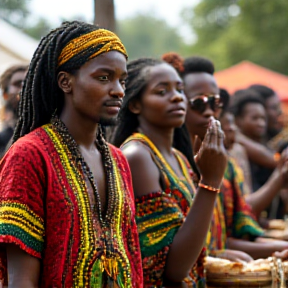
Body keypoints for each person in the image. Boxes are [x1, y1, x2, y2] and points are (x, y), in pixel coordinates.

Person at [0, 21, 142, 287]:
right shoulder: (30, 155)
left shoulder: (118, 160)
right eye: (104, 78)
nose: (118, 90)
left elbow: (132, 259)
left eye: (122, 80)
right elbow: (19, 280)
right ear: (65, 81)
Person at [112, 57, 227, 287]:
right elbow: (173, 270)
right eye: (162, 91)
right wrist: (210, 182)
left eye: (179, 89)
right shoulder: (138, 156)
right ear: (135, 105)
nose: (176, 97)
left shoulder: (178, 158)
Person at [176, 55, 288, 259]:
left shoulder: (219, 159)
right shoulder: (173, 162)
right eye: (199, 102)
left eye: (215, 101)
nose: (210, 110)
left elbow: (230, 230)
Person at [0, 64, 28, 156]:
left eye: (28, 82)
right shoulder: (2, 139)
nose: (24, 88)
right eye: (18, 84)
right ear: (5, 95)